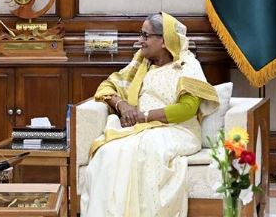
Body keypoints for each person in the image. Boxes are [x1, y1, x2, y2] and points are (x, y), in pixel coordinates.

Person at [80, 12, 220, 217]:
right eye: (141, 34)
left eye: (145, 35)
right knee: (107, 152)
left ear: (164, 40)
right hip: (141, 128)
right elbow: (107, 86)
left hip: (178, 129)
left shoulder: (187, 65)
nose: (140, 41)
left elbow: (187, 109)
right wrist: (122, 105)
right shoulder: (141, 64)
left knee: (141, 151)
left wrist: (142, 116)